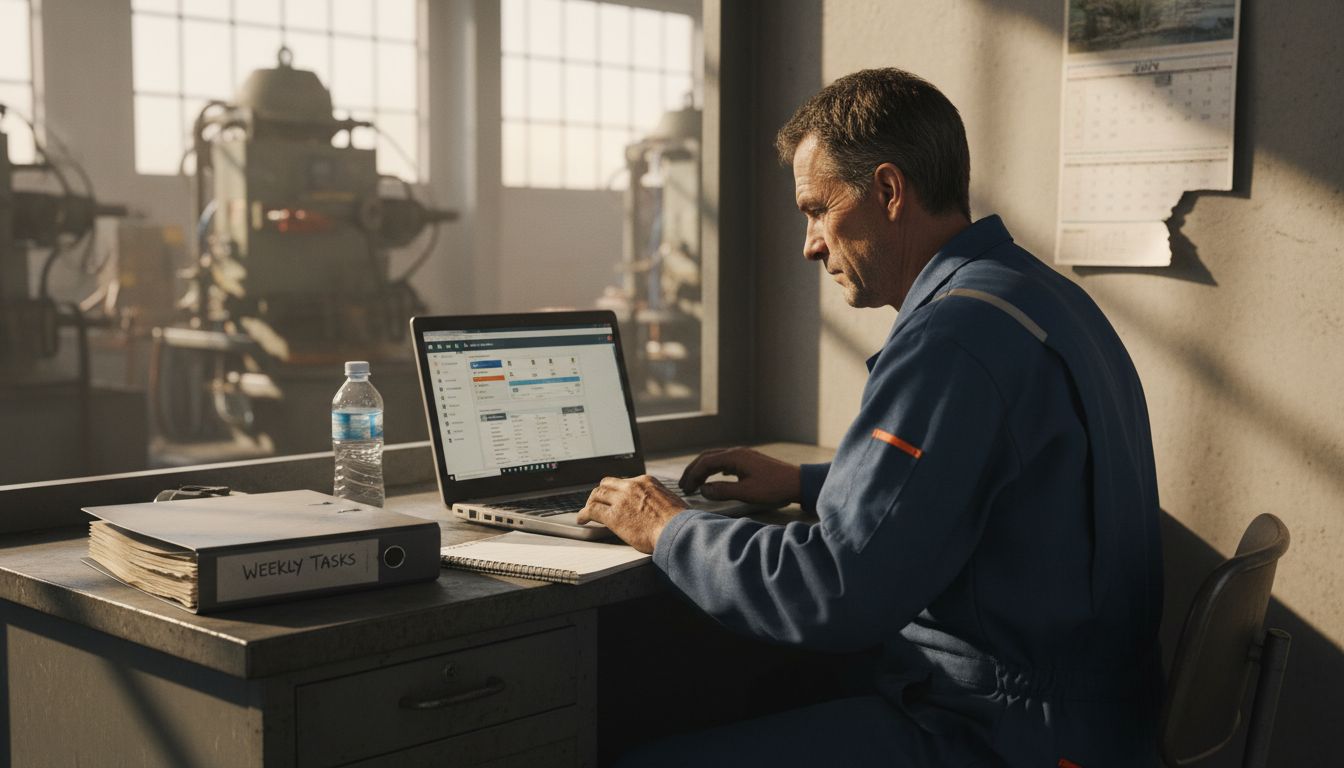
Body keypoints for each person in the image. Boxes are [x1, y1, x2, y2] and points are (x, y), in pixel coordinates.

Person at [579, 68, 1164, 767]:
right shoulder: (1042, 297)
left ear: (888, 191)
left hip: (999, 736)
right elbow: (993, 483)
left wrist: (669, 528)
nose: (810, 244)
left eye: (816, 210)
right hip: (1091, 718)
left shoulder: (952, 339)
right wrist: (812, 483)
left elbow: (834, 591)